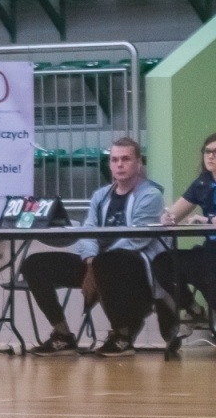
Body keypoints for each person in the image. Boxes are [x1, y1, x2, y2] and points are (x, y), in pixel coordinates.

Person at [23, 138, 168, 357]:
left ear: (139, 164)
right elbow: (87, 231)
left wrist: (97, 265)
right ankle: (63, 335)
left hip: (133, 266)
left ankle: (122, 336)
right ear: (109, 164)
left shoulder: (150, 195)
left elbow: (137, 238)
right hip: (97, 263)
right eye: (115, 160)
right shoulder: (101, 196)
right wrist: (90, 261)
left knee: (108, 263)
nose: (119, 165)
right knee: (35, 264)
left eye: (126, 159)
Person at [151, 131, 216, 341]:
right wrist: (167, 217)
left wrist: (205, 221)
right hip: (209, 252)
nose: (211, 156)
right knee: (163, 262)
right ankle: (193, 309)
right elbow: (175, 213)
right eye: (207, 151)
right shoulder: (202, 183)